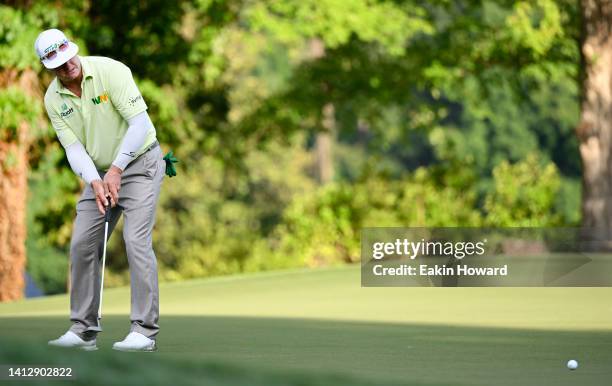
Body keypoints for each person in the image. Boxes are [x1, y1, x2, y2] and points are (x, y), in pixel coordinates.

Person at [35, 28, 164, 352]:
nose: (68, 67)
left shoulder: (111, 71)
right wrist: (95, 180)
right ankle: (83, 331)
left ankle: (144, 332)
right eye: (59, 65)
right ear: (48, 68)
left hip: (141, 165)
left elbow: (140, 125)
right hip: (100, 174)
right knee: (82, 244)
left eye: (68, 59)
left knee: (135, 240)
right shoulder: (54, 99)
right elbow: (73, 147)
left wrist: (117, 170)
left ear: (73, 50)